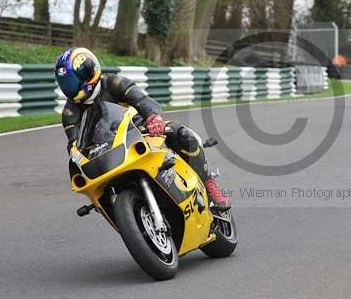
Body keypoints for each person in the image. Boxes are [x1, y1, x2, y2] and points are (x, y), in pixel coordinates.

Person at [55, 47, 231, 210]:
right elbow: (74, 144)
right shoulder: (70, 112)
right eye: (66, 83)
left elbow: (143, 101)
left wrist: (153, 118)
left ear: (89, 72)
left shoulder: (114, 83)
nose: (71, 88)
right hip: (107, 154)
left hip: (141, 133)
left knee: (181, 133)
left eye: (73, 81)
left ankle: (209, 185)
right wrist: (75, 156)